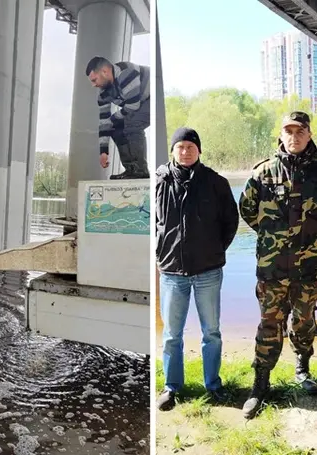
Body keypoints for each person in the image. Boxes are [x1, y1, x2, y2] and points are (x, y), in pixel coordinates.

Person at [239, 111, 317, 419]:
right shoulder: (263, 173)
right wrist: (272, 238)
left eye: (300, 131)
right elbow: (247, 209)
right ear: (281, 135)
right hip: (272, 270)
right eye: (289, 131)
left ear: (309, 134)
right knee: (269, 325)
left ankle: (303, 367)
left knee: (305, 322)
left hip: (310, 270)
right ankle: (261, 383)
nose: (294, 136)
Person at [155, 127, 239, 411]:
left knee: (211, 332)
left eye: (191, 146)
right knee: (171, 334)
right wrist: (159, 250)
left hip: (208, 271)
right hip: (171, 272)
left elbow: (231, 222)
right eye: (180, 146)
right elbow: (148, 221)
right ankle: (171, 387)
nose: (186, 151)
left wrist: (215, 250)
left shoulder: (216, 182)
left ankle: (213, 385)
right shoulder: (159, 181)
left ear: (199, 150)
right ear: (173, 151)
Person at [85, 56, 150, 179]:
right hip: (138, 103)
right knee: (115, 127)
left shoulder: (127, 72)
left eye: (94, 80)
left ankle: (141, 170)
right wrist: (103, 152)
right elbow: (104, 122)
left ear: (105, 71)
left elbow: (133, 106)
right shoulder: (103, 94)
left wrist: (112, 119)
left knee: (132, 124)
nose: (93, 85)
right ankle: (131, 169)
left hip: (152, 96)